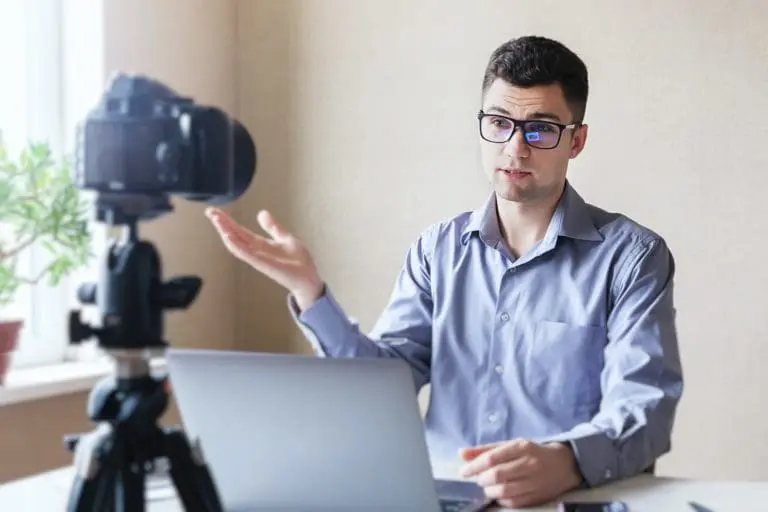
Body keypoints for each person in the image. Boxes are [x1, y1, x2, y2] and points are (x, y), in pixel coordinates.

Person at [205, 35, 683, 508]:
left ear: (575, 141)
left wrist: (568, 461)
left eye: (540, 129)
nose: (515, 148)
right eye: (499, 123)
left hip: (568, 500)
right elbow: (383, 389)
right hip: (443, 498)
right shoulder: (437, 250)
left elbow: (646, 406)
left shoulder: (632, 258)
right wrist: (309, 292)